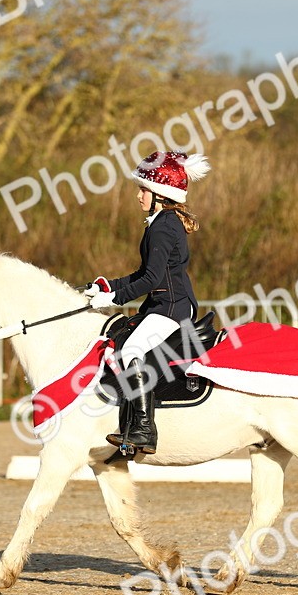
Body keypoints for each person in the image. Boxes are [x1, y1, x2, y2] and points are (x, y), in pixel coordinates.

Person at [85, 150, 210, 455]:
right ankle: (129, 426)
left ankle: (143, 430)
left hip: (171, 307)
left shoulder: (163, 226)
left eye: (143, 190)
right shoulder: (162, 222)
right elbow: (144, 273)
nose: (138, 196)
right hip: (164, 304)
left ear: (160, 195)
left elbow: (151, 280)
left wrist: (114, 298)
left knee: (131, 350)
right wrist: (107, 285)